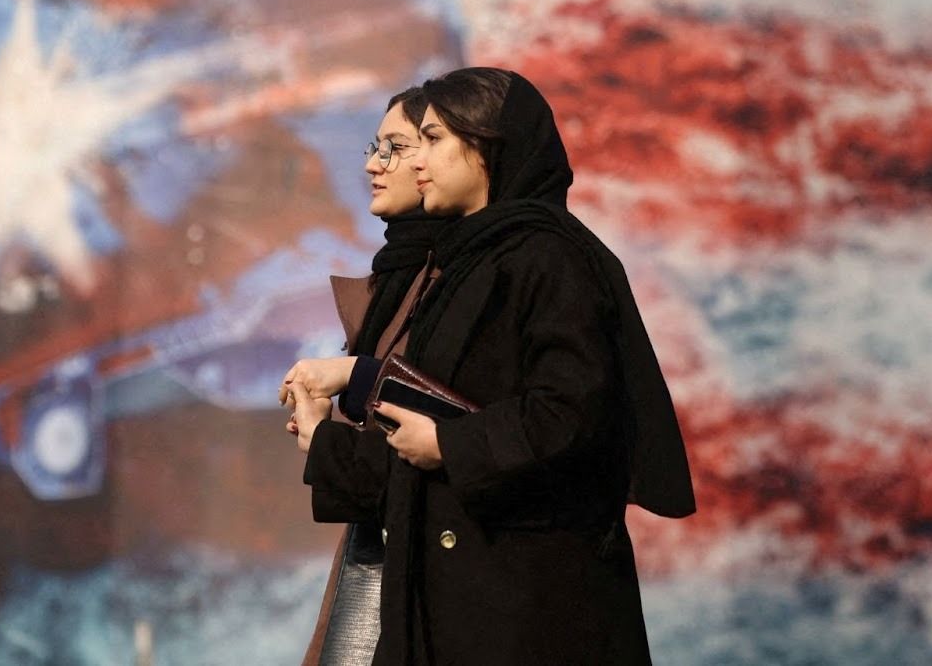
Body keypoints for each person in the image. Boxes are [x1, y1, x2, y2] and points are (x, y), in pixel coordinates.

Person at [289, 67, 694, 665]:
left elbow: (573, 413)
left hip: (528, 605)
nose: (412, 161)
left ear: (486, 151)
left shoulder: (550, 257)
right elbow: (440, 416)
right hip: (463, 591)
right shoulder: (469, 265)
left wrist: (451, 444)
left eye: (431, 141)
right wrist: (328, 434)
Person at [281, 86, 446, 666]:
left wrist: (328, 434)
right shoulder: (397, 280)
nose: (373, 164)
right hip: (378, 555)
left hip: (433, 585)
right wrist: (322, 433)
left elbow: (446, 447)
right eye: (379, 145)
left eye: (402, 146)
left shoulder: (454, 284)